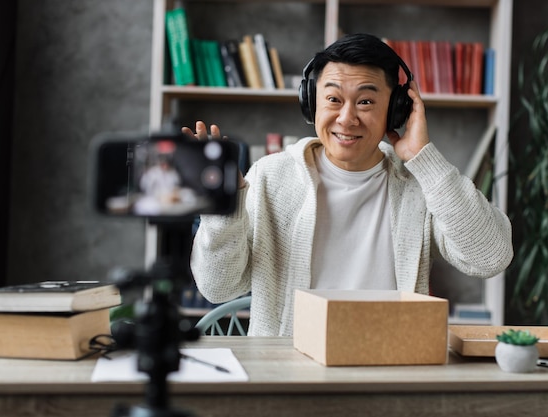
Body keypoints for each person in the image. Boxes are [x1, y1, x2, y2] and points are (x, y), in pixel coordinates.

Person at [186, 33, 513, 336]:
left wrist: (423, 159)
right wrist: (223, 209)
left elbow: (491, 257)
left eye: (366, 102)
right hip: (289, 372)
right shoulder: (271, 176)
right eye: (333, 99)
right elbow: (220, 288)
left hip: (391, 363)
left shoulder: (418, 183)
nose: (346, 118)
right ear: (311, 102)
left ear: (397, 109)